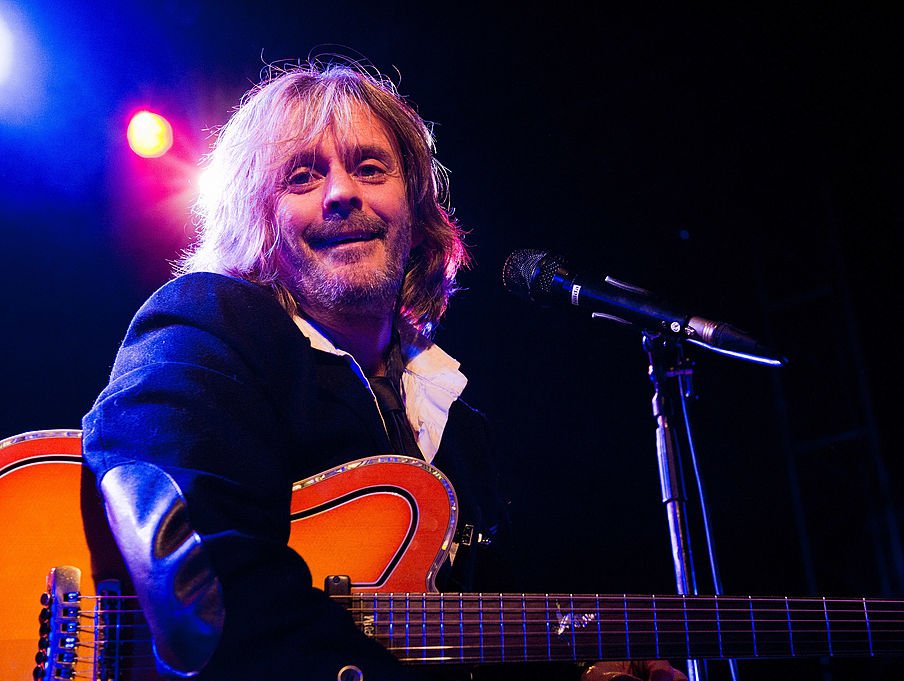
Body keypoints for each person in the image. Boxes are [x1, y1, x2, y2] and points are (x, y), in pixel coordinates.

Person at [83, 58, 684, 681]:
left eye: (370, 168)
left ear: (417, 208)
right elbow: (196, 567)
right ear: (257, 218)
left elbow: (463, 638)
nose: (342, 192)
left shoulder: (459, 428)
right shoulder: (212, 323)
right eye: (302, 176)